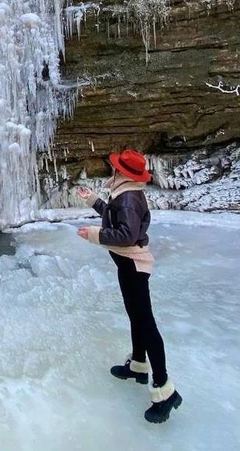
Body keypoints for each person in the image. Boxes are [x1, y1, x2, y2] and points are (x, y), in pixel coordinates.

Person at [76, 149, 182, 424]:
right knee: (136, 317)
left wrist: (93, 234)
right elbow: (115, 215)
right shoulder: (125, 193)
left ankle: (165, 390)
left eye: (116, 168)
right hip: (127, 265)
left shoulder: (129, 197)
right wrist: (94, 202)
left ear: (122, 172)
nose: (113, 170)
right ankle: (137, 365)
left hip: (133, 266)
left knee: (146, 324)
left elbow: (126, 234)